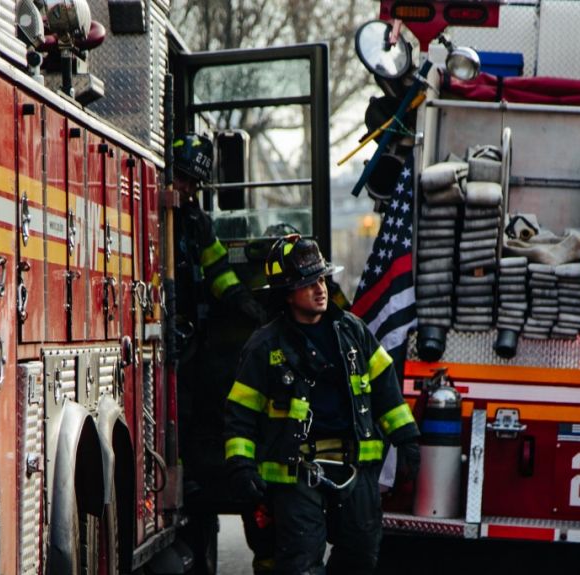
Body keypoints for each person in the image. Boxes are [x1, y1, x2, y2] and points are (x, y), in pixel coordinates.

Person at [223, 234, 421, 575]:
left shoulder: (354, 333)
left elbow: (387, 391)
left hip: (355, 468)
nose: (320, 289)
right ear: (287, 293)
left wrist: (407, 440)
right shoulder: (264, 347)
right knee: (300, 563)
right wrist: (241, 465)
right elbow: (240, 413)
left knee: (361, 556)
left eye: (321, 278)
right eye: (308, 282)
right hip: (297, 473)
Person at [171, 132, 270, 573]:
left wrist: (244, 303)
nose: (189, 189)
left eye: (194, 183)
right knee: (178, 405)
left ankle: (188, 473)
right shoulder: (157, 211)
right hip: (162, 321)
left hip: (186, 330)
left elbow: (216, 271)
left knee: (191, 406)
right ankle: (181, 473)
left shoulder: (194, 220)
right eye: (184, 179)